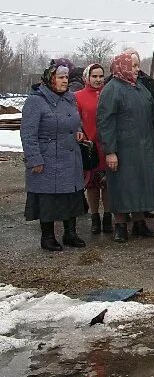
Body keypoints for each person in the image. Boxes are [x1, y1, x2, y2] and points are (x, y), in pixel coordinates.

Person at [22, 61, 88, 251]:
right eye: (60, 77)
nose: (64, 81)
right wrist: (34, 159)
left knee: (71, 196)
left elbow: (75, 121)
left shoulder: (70, 98)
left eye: (66, 77)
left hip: (70, 156)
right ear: (50, 79)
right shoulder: (36, 100)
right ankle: (48, 237)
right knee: (48, 199)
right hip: (48, 158)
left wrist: (79, 131)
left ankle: (70, 233)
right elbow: (28, 133)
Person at [97, 51, 154, 242]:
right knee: (122, 186)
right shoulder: (112, 89)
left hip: (143, 148)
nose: (136, 69)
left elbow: (152, 118)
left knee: (141, 185)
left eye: (137, 65)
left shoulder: (140, 88)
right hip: (122, 150)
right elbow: (105, 122)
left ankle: (140, 223)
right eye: (133, 66)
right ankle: (120, 226)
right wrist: (110, 151)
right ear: (122, 66)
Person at [75, 63, 111, 235]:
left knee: (109, 184)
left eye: (100, 76)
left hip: (108, 145)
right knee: (92, 185)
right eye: (94, 76)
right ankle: (95, 217)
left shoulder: (109, 93)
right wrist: (80, 133)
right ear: (87, 77)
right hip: (91, 147)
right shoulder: (78, 96)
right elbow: (75, 121)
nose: (98, 79)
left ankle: (108, 217)